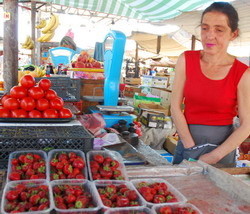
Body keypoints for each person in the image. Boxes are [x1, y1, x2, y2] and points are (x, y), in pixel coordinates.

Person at [171, 2, 250, 165]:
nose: (209, 35)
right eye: (205, 28)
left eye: (219, 30)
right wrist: (190, 147)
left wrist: (214, 156)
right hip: (187, 144)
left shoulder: (242, 73)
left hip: (221, 151)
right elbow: (175, 107)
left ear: (233, 34)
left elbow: (246, 125)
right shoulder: (186, 60)